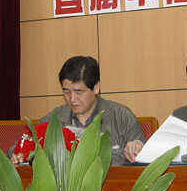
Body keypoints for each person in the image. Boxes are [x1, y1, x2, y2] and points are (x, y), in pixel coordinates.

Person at [11, 56, 146, 165]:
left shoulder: (121, 116)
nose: (72, 99)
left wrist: (137, 148)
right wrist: (17, 155)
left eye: (79, 92)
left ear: (96, 87)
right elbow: (18, 148)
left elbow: (145, 158)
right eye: (66, 91)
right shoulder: (54, 119)